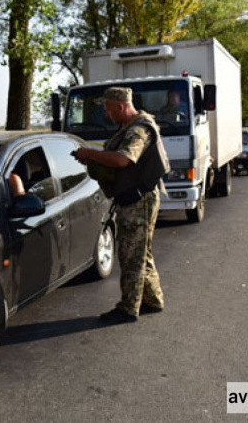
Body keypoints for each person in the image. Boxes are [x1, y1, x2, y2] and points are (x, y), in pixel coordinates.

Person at [73, 87, 169, 324]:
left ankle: (128, 309)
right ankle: (153, 299)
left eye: (107, 108)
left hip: (139, 201)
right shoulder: (130, 127)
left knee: (131, 255)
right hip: (135, 198)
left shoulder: (138, 130)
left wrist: (91, 154)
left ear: (120, 106)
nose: (107, 114)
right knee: (140, 252)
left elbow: (123, 159)